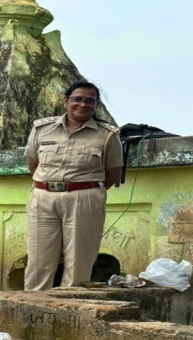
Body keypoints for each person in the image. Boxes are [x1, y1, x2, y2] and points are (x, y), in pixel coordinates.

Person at [23, 81, 123, 290]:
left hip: (84, 197)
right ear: (66, 101)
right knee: (38, 259)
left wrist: (83, 189)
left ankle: (69, 310)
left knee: (79, 259)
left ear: (96, 105)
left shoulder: (108, 135)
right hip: (43, 196)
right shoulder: (42, 129)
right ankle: (33, 308)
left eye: (90, 101)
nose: (83, 104)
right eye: (77, 99)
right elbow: (34, 163)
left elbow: (113, 173)